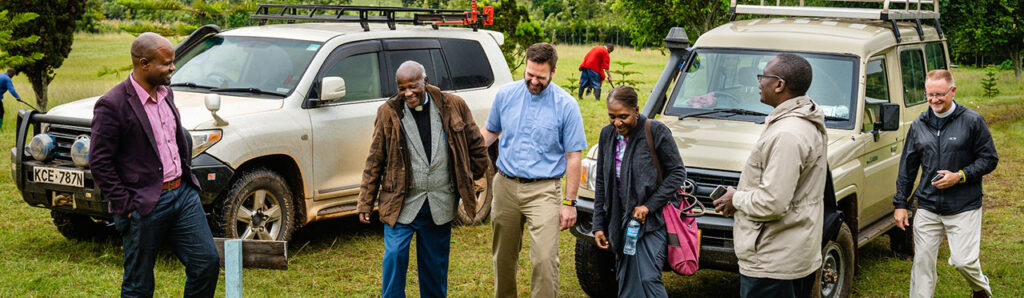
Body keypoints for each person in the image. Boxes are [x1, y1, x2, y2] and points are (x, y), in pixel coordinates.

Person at [90, 32, 220, 297]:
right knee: (139, 284)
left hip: (183, 195)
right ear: (143, 63)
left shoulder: (166, 93)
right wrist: (126, 205)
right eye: (166, 62)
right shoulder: (112, 104)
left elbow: (174, 138)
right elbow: (100, 162)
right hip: (145, 203)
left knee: (206, 262)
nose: (173, 67)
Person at [357, 61, 490, 298]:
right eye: (401, 88)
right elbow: (374, 160)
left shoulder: (453, 105)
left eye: (412, 87)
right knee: (394, 256)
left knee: (434, 268)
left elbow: (476, 144)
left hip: (440, 202)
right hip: (401, 203)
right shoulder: (388, 112)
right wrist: (365, 202)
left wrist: (472, 177)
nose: (408, 93)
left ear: (425, 82)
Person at [713, 53, 827, 298]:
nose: (758, 82)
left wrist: (736, 198)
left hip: (773, 260)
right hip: (791, 252)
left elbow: (773, 202)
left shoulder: (788, 133)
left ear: (779, 84)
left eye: (763, 75)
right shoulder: (800, 119)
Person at [481, 42, 587, 297]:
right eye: (530, 74)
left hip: (544, 190)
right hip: (505, 185)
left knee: (544, 259)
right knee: (503, 257)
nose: (534, 81)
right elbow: (491, 131)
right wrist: (467, 151)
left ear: (553, 71)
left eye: (541, 77)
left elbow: (573, 156)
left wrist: (569, 202)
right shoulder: (505, 95)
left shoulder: (567, 105)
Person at [892, 69, 998, 298]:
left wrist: (959, 175)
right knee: (921, 263)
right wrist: (901, 203)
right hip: (928, 206)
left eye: (939, 94)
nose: (933, 100)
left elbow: (989, 159)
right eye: (929, 94)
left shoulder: (972, 121)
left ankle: (980, 288)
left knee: (963, 261)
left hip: (964, 205)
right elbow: (907, 168)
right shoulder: (919, 125)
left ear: (953, 91)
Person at [591, 86, 686, 297]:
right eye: (612, 117)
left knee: (647, 278)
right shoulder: (607, 135)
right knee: (626, 281)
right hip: (620, 221)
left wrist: (648, 206)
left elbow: (677, 174)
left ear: (636, 110)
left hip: (652, 221)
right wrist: (598, 224)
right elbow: (601, 183)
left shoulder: (655, 131)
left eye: (623, 116)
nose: (617, 123)